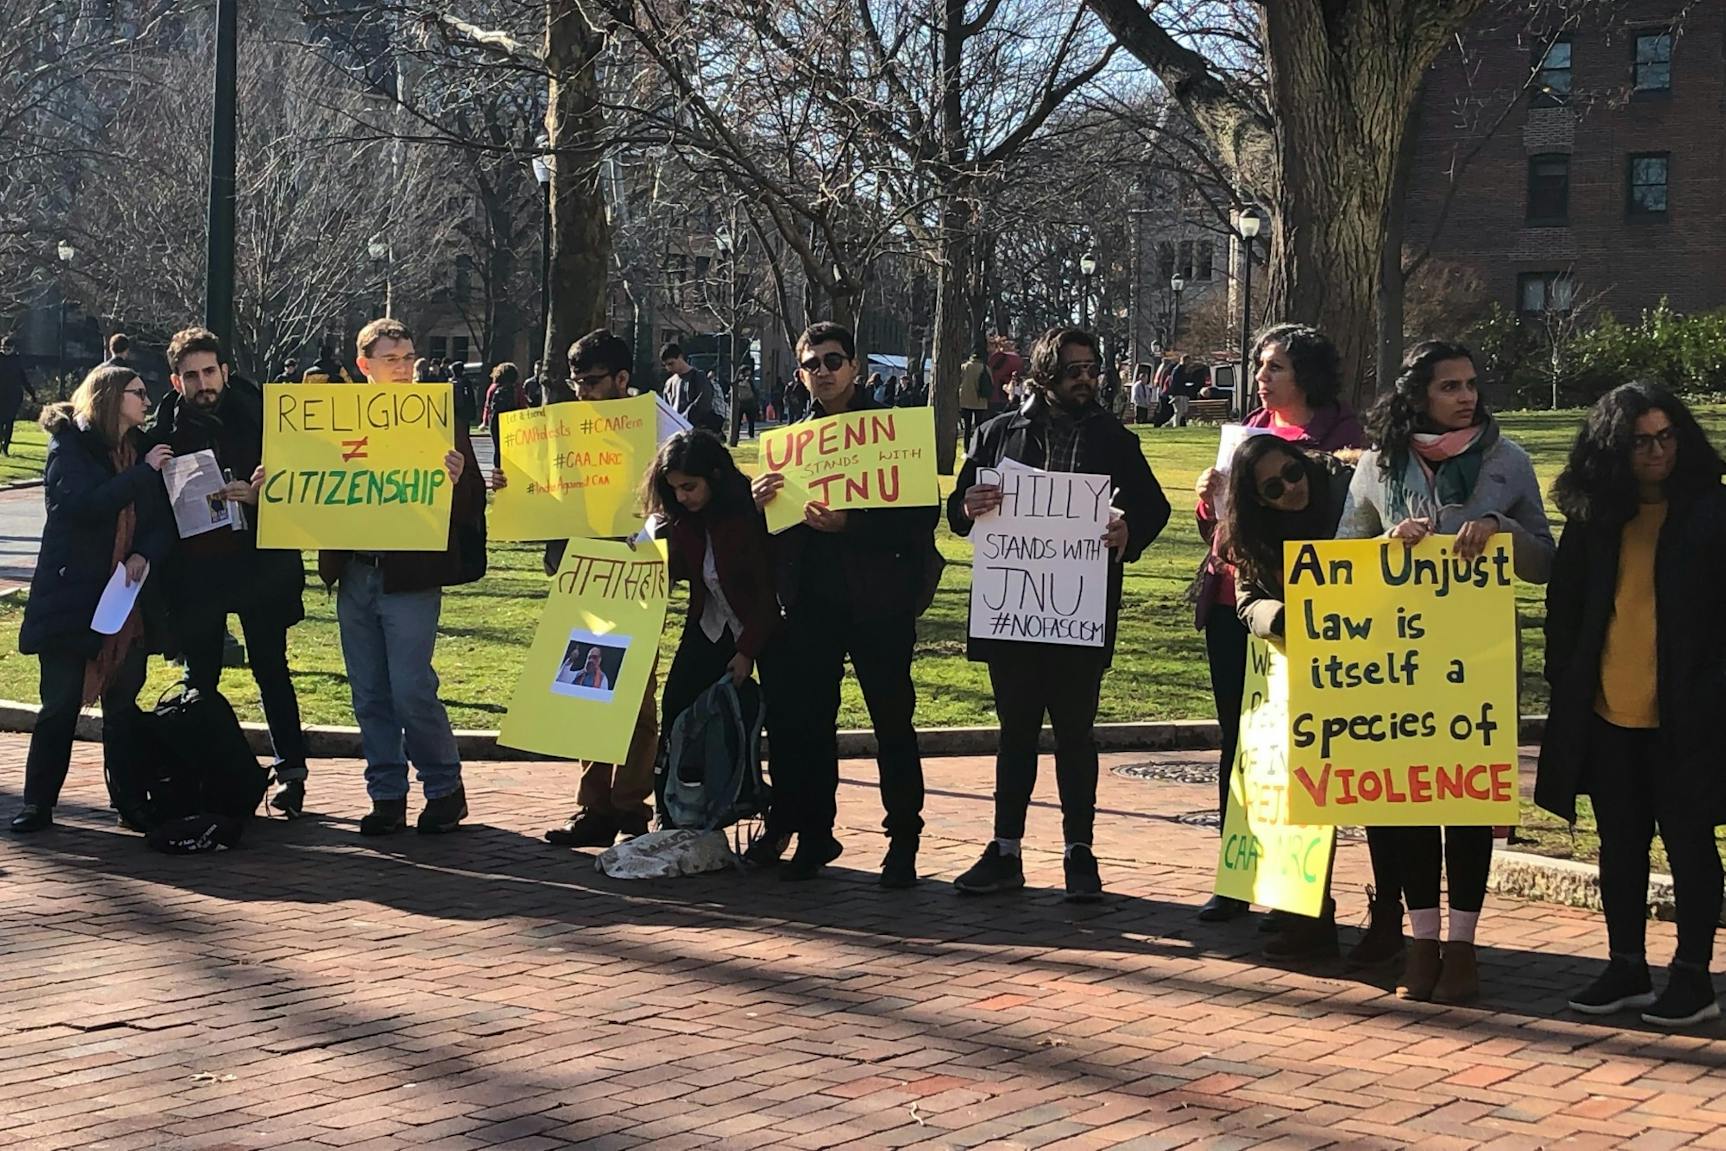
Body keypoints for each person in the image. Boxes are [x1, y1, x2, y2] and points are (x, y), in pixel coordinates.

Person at [1336, 339, 1554, 1001]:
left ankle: (1462, 947)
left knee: (1464, 802)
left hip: (1475, 667)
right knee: (1405, 803)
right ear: (1417, 395)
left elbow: (1546, 558)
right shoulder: (1378, 465)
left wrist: (1499, 528)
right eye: (1449, 386)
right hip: (1397, 663)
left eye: (1470, 384)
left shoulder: (1507, 460)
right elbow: (1344, 558)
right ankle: (1420, 942)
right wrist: (1385, 544)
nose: (1466, 396)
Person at [947, 326, 1171, 900]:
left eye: (1093, 369)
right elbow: (958, 509)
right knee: (1015, 733)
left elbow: (1153, 506)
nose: (1086, 379)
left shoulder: (1114, 440)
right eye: (1075, 369)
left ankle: (1080, 851)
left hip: (1080, 612)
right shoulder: (998, 434)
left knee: (1076, 734)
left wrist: (1128, 531)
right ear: (1046, 374)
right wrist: (970, 505)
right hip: (1014, 613)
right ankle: (1005, 850)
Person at [1540, 381, 1726, 1028]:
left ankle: (1693, 976)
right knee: (1618, 845)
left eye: (1667, 436)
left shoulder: (1711, 512)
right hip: (1609, 712)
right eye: (1642, 440)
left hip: (1689, 717)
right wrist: (1566, 679)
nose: (1658, 452)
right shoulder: (1595, 516)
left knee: (1690, 845)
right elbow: (1563, 609)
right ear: (1615, 448)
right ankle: (1626, 965)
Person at [1192, 324, 1365, 934]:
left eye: (1274, 368)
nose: (1261, 378)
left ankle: (1300, 890)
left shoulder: (1342, 437)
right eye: (1260, 367)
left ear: (1308, 375)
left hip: (1305, 618)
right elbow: (1219, 528)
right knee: (1239, 742)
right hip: (1232, 602)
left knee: (1303, 748)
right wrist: (1209, 500)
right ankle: (1236, 877)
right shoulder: (1248, 430)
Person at [751, 321, 937, 885]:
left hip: (881, 603)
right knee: (811, 724)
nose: (824, 372)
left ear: (857, 367)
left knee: (893, 723)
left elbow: (920, 517)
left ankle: (903, 840)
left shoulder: (892, 432)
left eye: (835, 361)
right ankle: (814, 834)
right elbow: (777, 531)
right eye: (813, 364)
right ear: (801, 373)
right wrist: (761, 501)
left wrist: (852, 524)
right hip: (812, 603)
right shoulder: (790, 442)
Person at [319, 319, 484, 836]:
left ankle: (443, 787)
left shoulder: (435, 416)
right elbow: (312, 481)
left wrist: (457, 481)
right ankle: (387, 794)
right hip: (355, 571)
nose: (405, 368)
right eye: (392, 359)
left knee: (412, 686)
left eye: (410, 357)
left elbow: (474, 502)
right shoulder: (333, 419)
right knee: (368, 690)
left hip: (410, 574)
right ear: (364, 366)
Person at [147, 327, 311, 817]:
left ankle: (292, 774)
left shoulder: (267, 417)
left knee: (271, 670)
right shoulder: (163, 433)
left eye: (210, 371)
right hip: (198, 572)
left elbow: (304, 490)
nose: (203, 383)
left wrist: (261, 498)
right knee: (202, 676)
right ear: (177, 382)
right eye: (191, 376)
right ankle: (205, 773)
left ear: (225, 371)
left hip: (262, 565)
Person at [11, 365, 172, 832]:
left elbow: (161, 522)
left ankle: (129, 802)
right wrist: (142, 475)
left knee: (122, 708)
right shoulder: (70, 445)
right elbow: (81, 507)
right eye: (137, 393)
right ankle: (38, 803)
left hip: (126, 602)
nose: (146, 401)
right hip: (72, 597)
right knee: (59, 705)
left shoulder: (141, 451)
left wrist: (144, 552)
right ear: (110, 397)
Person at [519, 330, 661, 847]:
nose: (582, 393)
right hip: (581, 572)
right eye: (575, 382)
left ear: (623, 380)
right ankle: (594, 805)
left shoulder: (657, 426)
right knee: (588, 687)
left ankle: (630, 805)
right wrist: (513, 488)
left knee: (638, 698)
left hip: (637, 572)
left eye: (593, 382)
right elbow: (540, 492)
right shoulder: (561, 428)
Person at [646, 430, 781, 822]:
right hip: (708, 625)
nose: (682, 497)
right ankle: (668, 811)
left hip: (760, 631)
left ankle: (766, 809)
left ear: (715, 477)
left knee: (768, 725)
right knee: (676, 709)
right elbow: (690, 571)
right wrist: (651, 546)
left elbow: (767, 591)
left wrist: (747, 651)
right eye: (674, 490)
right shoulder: (682, 518)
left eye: (690, 487)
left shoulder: (750, 514)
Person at [661, 342, 721, 433]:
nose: (669, 368)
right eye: (666, 365)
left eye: (671, 364)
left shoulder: (698, 377)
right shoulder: (669, 383)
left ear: (680, 357)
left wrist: (683, 419)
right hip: (676, 431)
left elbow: (704, 404)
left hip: (696, 431)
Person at [0, 336, 40, 455]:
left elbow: (23, 378)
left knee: (9, 421)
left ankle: (5, 447)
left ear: (13, 348)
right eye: (4, 348)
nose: (6, 350)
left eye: (8, 348)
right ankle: (2, 441)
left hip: (13, 395)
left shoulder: (17, 360)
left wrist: (32, 393)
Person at [483, 362, 525, 460]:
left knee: (498, 448)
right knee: (512, 448)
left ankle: (497, 468)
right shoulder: (517, 388)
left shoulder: (493, 388)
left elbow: (488, 405)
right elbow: (522, 404)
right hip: (513, 420)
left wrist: (485, 421)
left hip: (496, 421)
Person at [958, 348, 990, 441]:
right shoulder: (985, 368)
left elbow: (957, 381)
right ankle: (978, 445)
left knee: (967, 426)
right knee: (979, 426)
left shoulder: (964, 367)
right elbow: (991, 382)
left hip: (965, 400)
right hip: (980, 401)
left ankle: (966, 447)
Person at [732, 364, 759, 438]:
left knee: (750, 420)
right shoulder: (741, 380)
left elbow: (754, 390)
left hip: (748, 401)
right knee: (739, 420)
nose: (749, 372)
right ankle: (736, 435)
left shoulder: (749, 380)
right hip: (742, 402)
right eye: (748, 371)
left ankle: (751, 434)